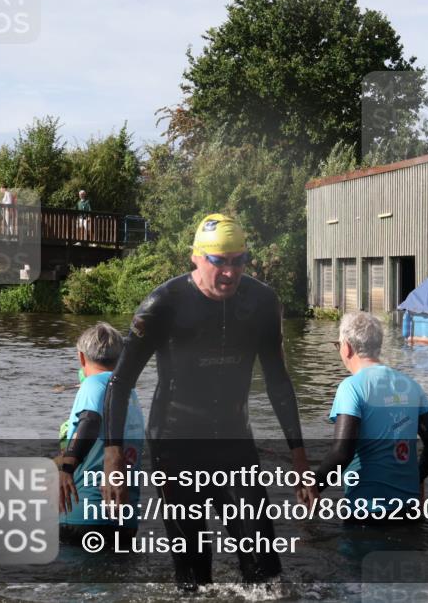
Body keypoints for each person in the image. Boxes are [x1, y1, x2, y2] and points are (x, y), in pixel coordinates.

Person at [101, 213, 316, 589]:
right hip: (175, 441)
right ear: (196, 258)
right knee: (194, 568)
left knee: (265, 565)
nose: (230, 273)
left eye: (239, 261)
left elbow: (279, 381)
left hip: (234, 437)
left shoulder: (263, 302)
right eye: (220, 261)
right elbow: (119, 382)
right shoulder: (162, 305)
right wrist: (113, 455)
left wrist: (299, 455)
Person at [311, 312, 428, 520]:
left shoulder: (351, 388)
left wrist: (313, 486)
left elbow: (342, 453)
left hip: (366, 510)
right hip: (408, 511)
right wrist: (416, 478)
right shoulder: (410, 385)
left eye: (337, 346)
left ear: (346, 347)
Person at [58, 323, 145, 548]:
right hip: (125, 517)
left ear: (81, 357)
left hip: (85, 515)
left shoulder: (92, 385)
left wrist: (66, 467)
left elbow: (90, 421)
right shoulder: (130, 393)